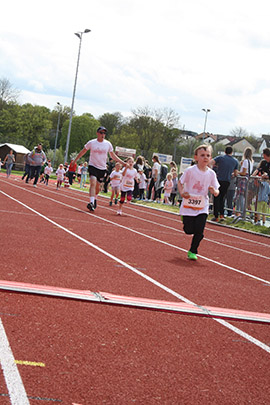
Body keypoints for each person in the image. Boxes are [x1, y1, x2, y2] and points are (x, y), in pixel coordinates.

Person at [178, 145, 219, 261]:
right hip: (189, 204)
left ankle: (193, 251)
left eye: (208, 155)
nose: (205, 158)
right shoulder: (190, 171)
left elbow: (217, 190)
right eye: (202, 155)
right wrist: (182, 192)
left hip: (202, 205)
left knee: (200, 231)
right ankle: (184, 218)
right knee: (189, 230)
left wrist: (214, 191)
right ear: (196, 157)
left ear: (210, 158)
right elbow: (180, 183)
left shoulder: (211, 174)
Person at [73, 126, 126, 212]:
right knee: (93, 183)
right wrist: (75, 160)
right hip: (92, 166)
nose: (103, 135)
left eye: (104, 133)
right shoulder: (92, 143)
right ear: (97, 133)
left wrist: (123, 162)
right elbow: (83, 151)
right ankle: (91, 202)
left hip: (102, 168)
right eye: (101, 133)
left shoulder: (108, 144)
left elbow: (112, 155)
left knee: (98, 187)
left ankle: (95, 198)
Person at [210, 146, 238, 222]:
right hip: (227, 181)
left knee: (216, 197)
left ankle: (216, 216)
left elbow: (211, 162)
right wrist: (230, 173)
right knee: (222, 198)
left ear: (225, 151)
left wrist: (212, 170)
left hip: (218, 180)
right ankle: (222, 215)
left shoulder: (220, 158)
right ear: (232, 152)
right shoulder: (235, 161)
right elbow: (235, 173)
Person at [235, 147, 254, 216]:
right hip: (247, 179)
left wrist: (237, 172)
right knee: (242, 196)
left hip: (243, 179)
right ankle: (240, 212)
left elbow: (244, 172)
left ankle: (241, 213)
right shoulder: (251, 162)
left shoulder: (246, 161)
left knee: (240, 196)